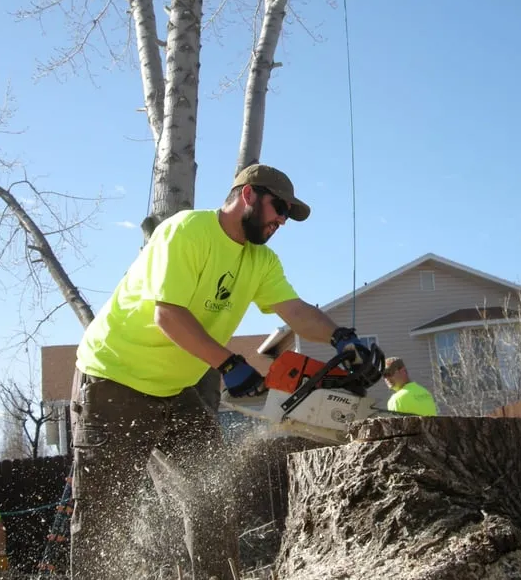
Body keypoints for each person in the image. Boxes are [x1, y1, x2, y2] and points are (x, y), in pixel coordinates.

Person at [70, 163, 373, 580]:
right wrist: (228, 363)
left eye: (287, 215)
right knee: (104, 518)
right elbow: (168, 315)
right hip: (113, 380)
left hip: (176, 389)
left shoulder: (261, 260)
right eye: (279, 208)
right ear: (248, 195)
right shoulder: (187, 231)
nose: (282, 221)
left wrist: (342, 337)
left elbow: (296, 311)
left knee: (210, 497)